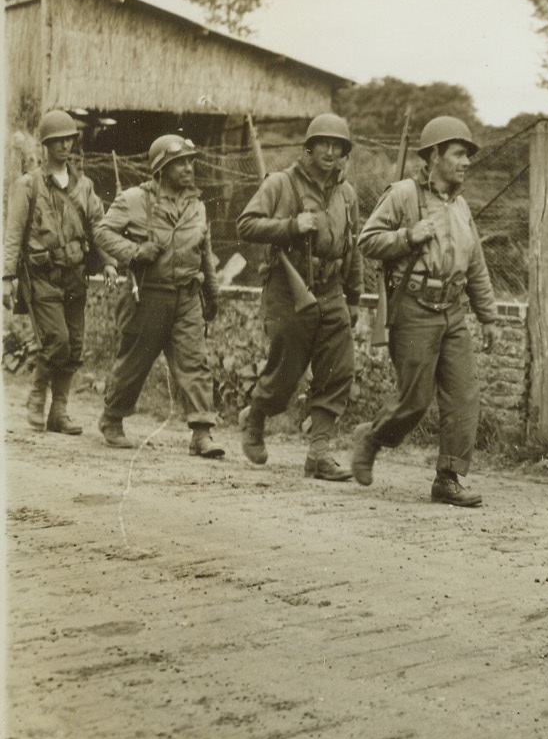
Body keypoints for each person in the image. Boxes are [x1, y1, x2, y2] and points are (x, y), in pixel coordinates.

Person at [350, 115, 498, 507]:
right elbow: (366, 240)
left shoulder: (462, 206)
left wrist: (489, 317)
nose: (466, 162)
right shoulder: (403, 195)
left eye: (468, 156)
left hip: (453, 311)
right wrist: (406, 236)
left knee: (465, 396)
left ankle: (447, 479)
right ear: (434, 155)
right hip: (414, 308)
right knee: (414, 400)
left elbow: (476, 265)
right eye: (458, 154)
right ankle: (372, 438)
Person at [236, 113, 363, 481]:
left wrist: (353, 296)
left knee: (339, 369)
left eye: (338, 146)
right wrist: (291, 227)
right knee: (285, 372)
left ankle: (319, 452)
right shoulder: (281, 184)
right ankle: (257, 416)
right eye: (323, 143)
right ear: (308, 148)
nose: (330, 151)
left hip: (330, 290)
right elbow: (246, 225)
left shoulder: (347, 194)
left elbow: (351, 249)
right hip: (288, 289)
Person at [94, 134, 224, 457]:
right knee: (134, 362)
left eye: (191, 161)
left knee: (195, 362)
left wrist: (212, 291)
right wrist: (135, 252)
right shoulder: (135, 200)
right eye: (179, 162)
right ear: (161, 168)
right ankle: (112, 419)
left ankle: (202, 433)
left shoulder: (197, 206)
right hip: (147, 296)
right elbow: (102, 232)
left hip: (187, 297)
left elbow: (204, 250)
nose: (188, 168)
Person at [3, 111, 117, 433]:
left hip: (75, 276)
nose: (65, 145)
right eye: (58, 140)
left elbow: (98, 228)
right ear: (46, 145)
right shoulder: (28, 186)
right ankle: (36, 397)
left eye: (69, 139)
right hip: (41, 277)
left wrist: (108, 261)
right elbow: (13, 234)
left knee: (75, 345)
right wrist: (7, 278)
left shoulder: (84, 186)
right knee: (57, 341)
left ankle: (59, 411)